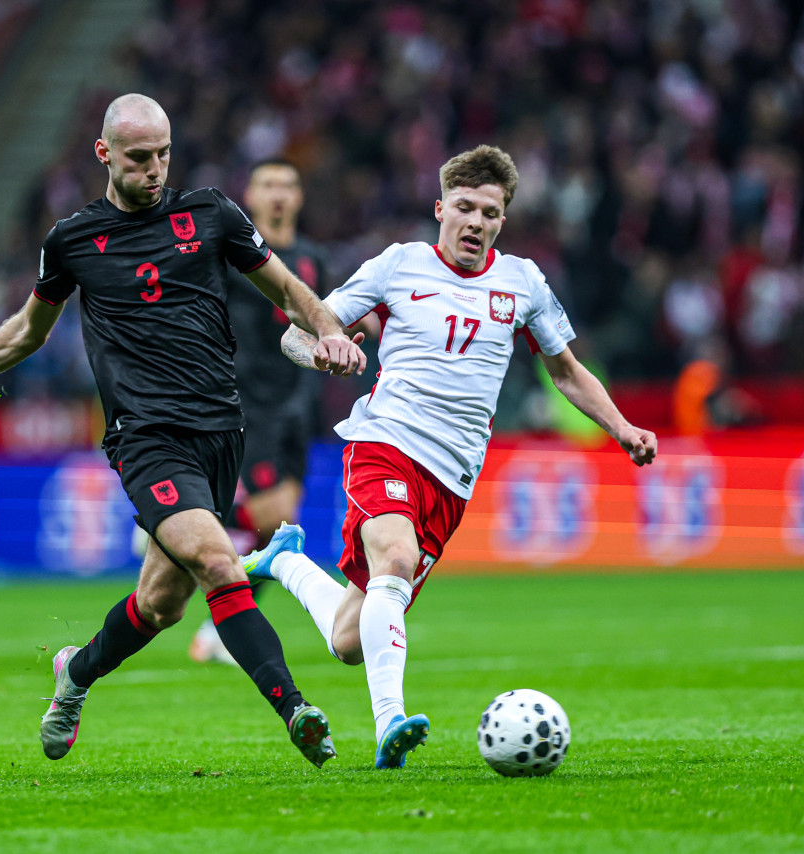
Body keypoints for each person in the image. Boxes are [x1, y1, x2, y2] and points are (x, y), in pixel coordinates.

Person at [0, 94, 366, 768]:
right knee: (218, 562)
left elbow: (288, 288)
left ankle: (75, 672)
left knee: (160, 603)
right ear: (105, 154)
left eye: (163, 156)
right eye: (139, 157)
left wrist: (328, 330)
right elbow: (26, 334)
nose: (154, 170)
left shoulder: (210, 214)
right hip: (145, 437)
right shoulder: (72, 240)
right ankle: (296, 710)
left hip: (221, 431)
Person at [247, 145, 658, 769]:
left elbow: (566, 372)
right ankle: (390, 724)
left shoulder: (523, 283)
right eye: (464, 207)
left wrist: (622, 427)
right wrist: (326, 349)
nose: (475, 222)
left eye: (489, 213)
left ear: (502, 221)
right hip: (385, 444)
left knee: (351, 638)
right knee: (396, 558)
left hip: (452, 478)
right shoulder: (398, 265)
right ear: (441, 209)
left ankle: (285, 561)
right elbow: (297, 334)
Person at [188, 158, 335, 665]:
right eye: (267, 184)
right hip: (247, 403)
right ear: (249, 197)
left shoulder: (312, 259)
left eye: (287, 185)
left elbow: (328, 317)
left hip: (299, 406)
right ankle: (183, 523)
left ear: (299, 197)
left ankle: (215, 623)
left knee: (278, 531)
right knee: (276, 523)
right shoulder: (229, 257)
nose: (277, 194)